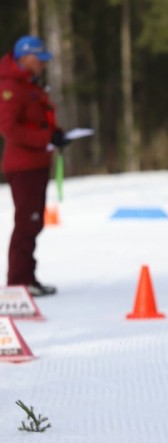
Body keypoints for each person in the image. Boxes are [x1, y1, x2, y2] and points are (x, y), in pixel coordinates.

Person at [0, 36, 70, 297]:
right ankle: (17, 284)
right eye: (39, 60)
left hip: (37, 163)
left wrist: (56, 135)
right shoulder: (10, 87)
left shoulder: (31, 85)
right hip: (23, 166)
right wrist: (45, 139)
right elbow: (8, 128)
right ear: (25, 57)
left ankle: (27, 278)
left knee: (34, 222)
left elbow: (38, 120)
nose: (42, 65)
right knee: (26, 223)